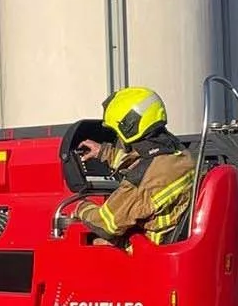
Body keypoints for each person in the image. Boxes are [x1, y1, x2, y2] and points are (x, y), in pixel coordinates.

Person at [73, 86, 196, 247]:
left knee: (91, 242)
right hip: (173, 243)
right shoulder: (180, 153)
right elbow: (147, 163)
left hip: (148, 257)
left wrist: (82, 208)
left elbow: (106, 224)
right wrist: (104, 153)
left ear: (128, 127)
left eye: (117, 132)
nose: (118, 137)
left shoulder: (140, 182)